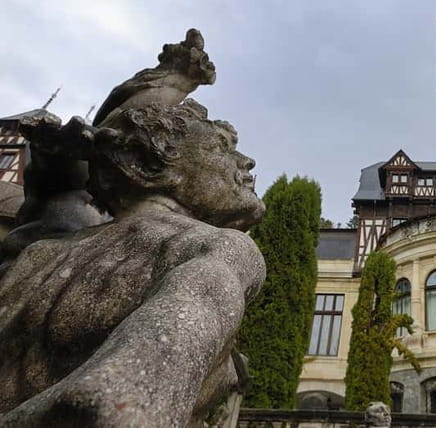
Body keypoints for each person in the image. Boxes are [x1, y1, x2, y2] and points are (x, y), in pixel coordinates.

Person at [0, 99, 265, 427]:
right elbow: (110, 404)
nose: (246, 162)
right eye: (223, 147)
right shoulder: (214, 246)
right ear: (144, 164)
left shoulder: (36, 255)